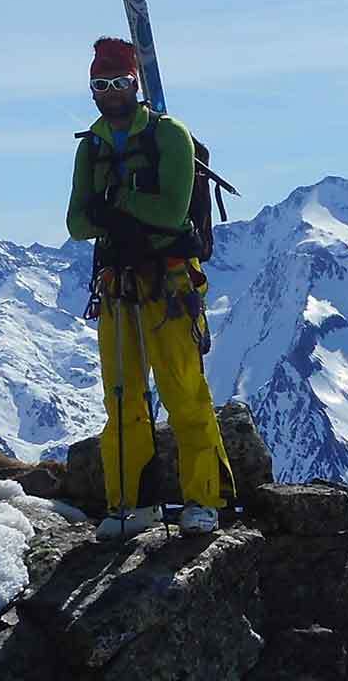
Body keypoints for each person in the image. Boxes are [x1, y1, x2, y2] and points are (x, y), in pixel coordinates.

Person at [68, 36, 230, 539]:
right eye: (100, 83)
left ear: (134, 84)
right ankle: (130, 503)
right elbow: (76, 224)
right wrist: (128, 203)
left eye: (118, 82)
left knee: (183, 388)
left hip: (169, 281)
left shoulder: (171, 136)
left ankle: (204, 499)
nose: (109, 92)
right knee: (122, 396)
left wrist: (112, 202)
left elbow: (172, 210)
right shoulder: (90, 146)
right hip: (119, 283)